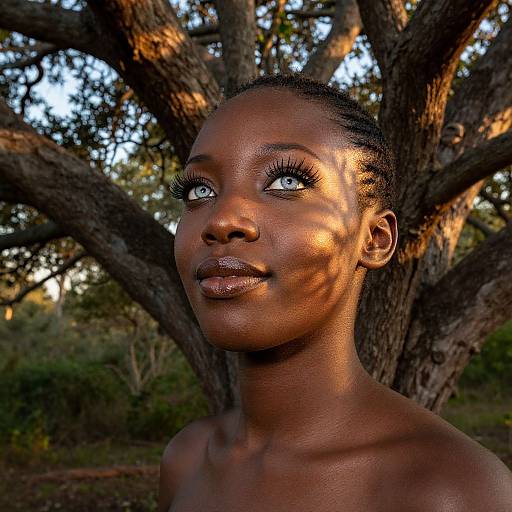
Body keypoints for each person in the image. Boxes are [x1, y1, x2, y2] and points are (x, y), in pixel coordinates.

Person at [158, 74, 512, 512]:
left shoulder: (453, 490)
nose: (222, 218)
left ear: (375, 239)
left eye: (286, 181)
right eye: (200, 189)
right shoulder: (187, 461)